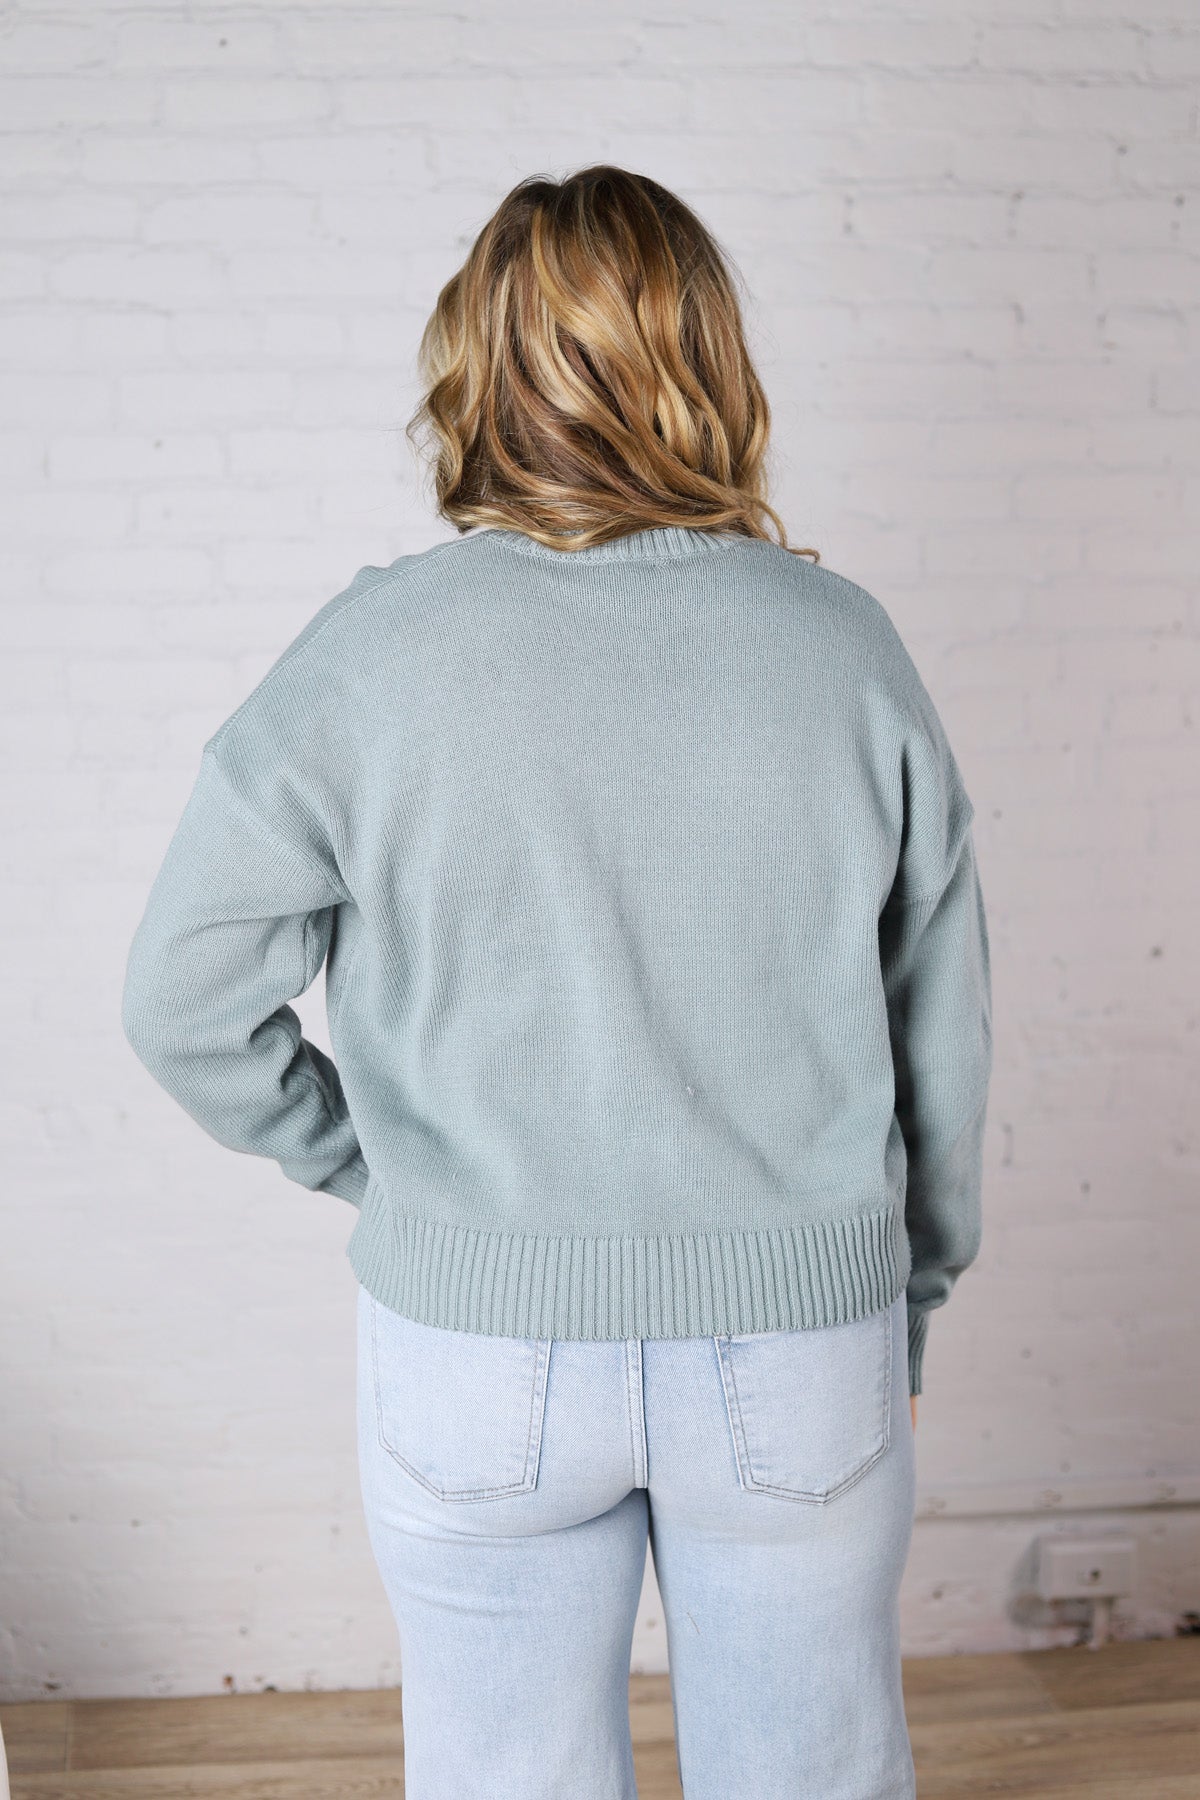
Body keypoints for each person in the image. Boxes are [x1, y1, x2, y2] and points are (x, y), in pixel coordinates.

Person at [121, 164, 993, 1800]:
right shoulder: (842, 647)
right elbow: (939, 1031)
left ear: (478, 364)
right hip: (800, 1342)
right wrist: (913, 1303)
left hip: (476, 1344)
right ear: (707, 361)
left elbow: (181, 997)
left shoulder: (369, 659)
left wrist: (378, 1171)